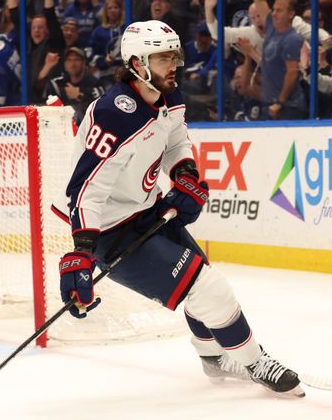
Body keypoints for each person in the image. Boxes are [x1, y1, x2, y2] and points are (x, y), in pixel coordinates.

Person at [50, 20, 304, 396]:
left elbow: (176, 140)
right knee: (210, 289)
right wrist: (82, 253)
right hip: (107, 230)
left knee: (201, 280)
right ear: (137, 64)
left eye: (174, 55)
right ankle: (255, 362)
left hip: (144, 211)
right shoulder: (113, 115)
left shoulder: (167, 96)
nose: (174, 64)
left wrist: (184, 174)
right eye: (163, 57)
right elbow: (87, 189)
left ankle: (213, 358)